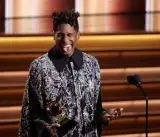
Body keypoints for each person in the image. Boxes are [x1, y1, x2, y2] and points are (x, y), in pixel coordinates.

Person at [19, 9, 123, 137]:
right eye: (60, 35)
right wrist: (46, 129)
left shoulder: (91, 64)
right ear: (54, 35)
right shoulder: (40, 67)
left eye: (69, 35)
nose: (65, 40)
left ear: (77, 35)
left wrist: (103, 115)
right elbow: (31, 113)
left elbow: (94, 107)